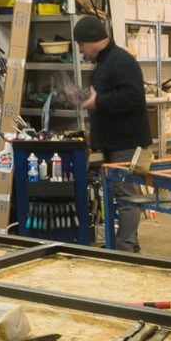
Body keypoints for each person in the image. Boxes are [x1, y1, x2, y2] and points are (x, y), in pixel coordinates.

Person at [73, 15, 150, 253]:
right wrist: (86, 98)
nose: (80, 49)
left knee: (127, 197)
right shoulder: (106, 63)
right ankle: (129, 244)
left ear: (92, 40)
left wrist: (100, 101)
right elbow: (106, 96)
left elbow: (133, 97)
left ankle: (125, 248)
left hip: (130, 144)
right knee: (125, 194)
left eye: (81, 44)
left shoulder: (121, 61)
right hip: (116, 143)